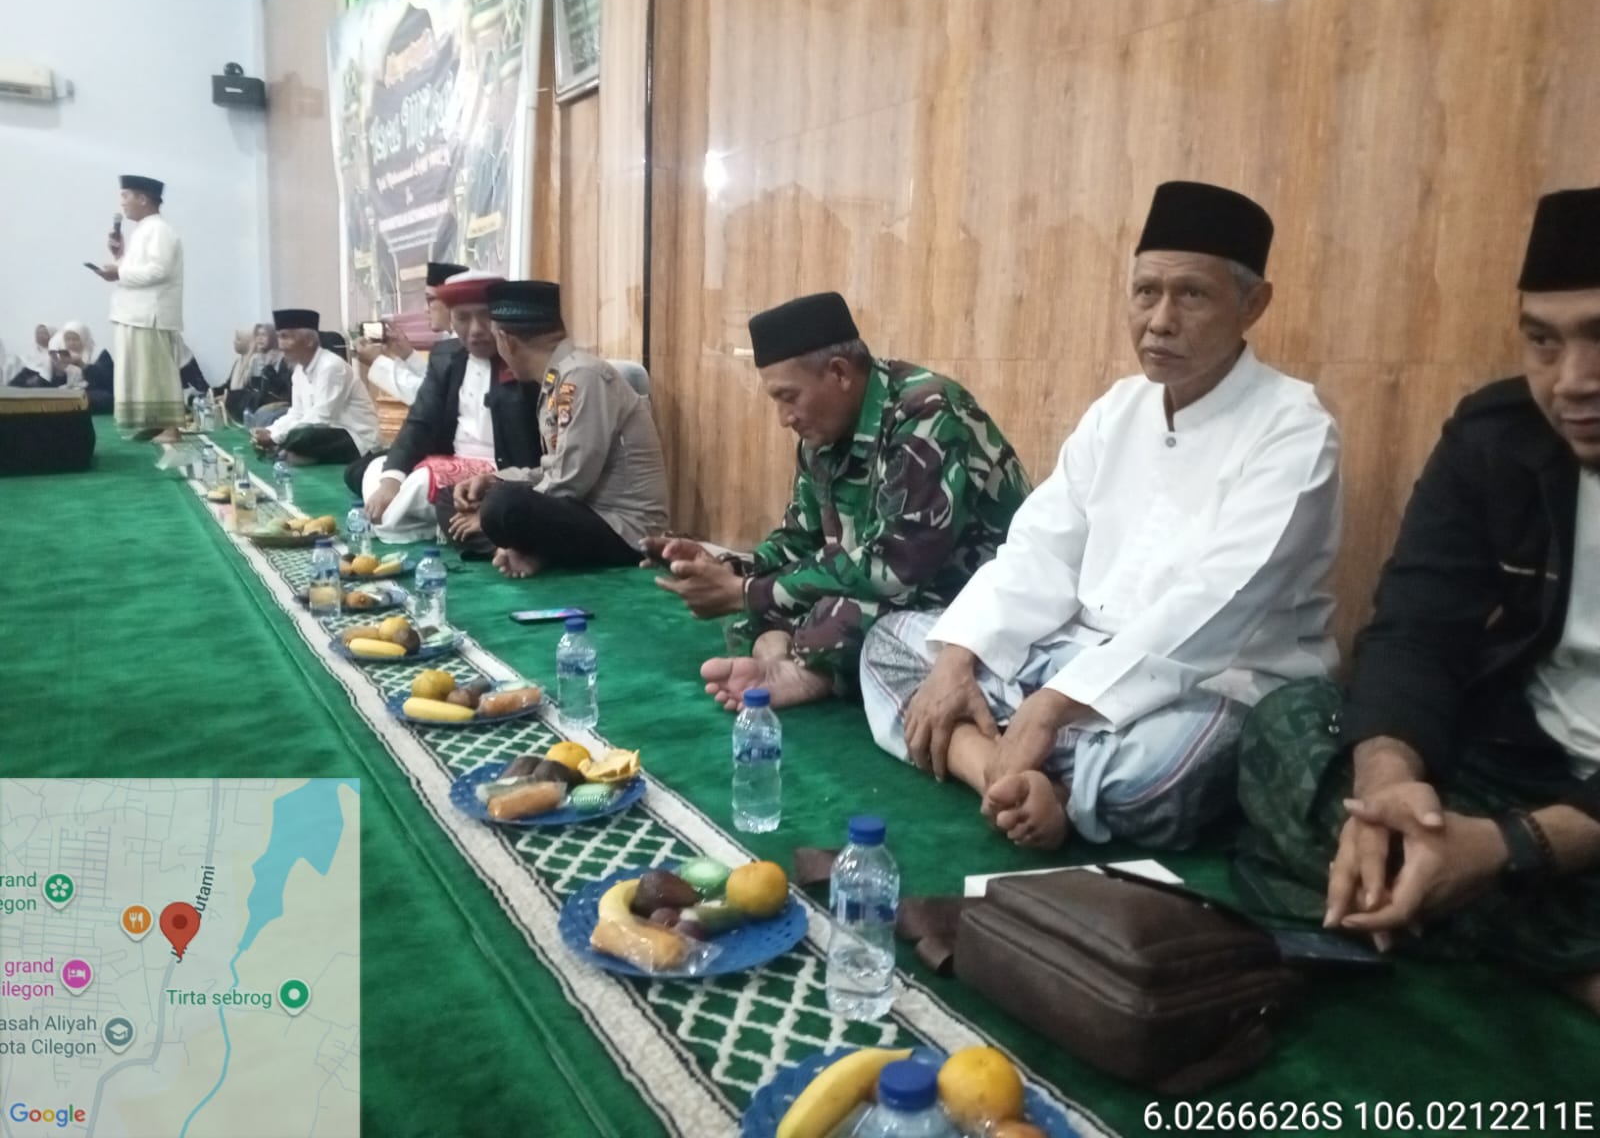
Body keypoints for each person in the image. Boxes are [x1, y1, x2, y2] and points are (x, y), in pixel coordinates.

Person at [861, 182, 1342, 851]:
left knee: (1174, 764)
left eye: (1191, 295)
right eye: (1146, 292)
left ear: (1253, 304)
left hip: (1210, 684)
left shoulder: (1294, 429)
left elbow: (1217, 606)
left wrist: (1052, 709)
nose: (1160, 320)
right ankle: (1009, 778)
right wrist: (960, 660)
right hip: (1069, 655)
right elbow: (1040, 550)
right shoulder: (1118, 408)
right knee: (895, 643)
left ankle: (1017, 764)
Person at [1234, 186, 1600, 1015]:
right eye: (1543, 341)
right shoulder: (1496, 436)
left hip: (1557, 822)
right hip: (1520, 763)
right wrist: (1390, 785)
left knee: (1325, 849)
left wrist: (1512, 848)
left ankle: (1445, 906)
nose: (1573, 382)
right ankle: (1536, 942)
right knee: (1286, 724)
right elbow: (1415, 629)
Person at [648, 291, 1031, 711]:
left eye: (788, 397)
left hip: (966, 601)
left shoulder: (927, 415)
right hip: (892, 585)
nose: (784, 418)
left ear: (839, 373)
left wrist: (748, 593)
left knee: (838, 614)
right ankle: (793, 660)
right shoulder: (823, 435)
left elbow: (895, 569)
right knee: (774, 601)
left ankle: (803, 667)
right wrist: (727, 569)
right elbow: (799, 540)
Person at [448, 280, 668, 576]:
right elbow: (556, 470)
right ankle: (526, 550)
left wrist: (494, 510)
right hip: (583, 512)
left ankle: (517, 546)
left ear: (505, 340)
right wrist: (494, 479)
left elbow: (570, 481)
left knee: (501, 507)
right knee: (454, 498)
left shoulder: (583, 377)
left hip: (624, 528)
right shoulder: (560, 378)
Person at [352, 271, 542, 543]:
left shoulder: (521, 360)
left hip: (500, 470)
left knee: (420, 484)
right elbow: (420, 420)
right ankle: (427, 522)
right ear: (451, 319)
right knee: (377, 469)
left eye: (485, 316)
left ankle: (417, 523)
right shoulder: (446, 356)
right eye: (463, 318)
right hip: (450, 461)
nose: (476, 329)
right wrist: (391, 480)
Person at [93, 174, 185, 441]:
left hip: (150, 314)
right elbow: (138, 269)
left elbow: (159, 270)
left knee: (157, 371)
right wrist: (119, 256)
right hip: (136, 313)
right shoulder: (144, 230)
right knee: (143, 374)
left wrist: (118, 272)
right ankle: (155, 423)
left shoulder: (159, 230)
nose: (122, 203)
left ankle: (171, 427)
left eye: (126, 196)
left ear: (143, 199)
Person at [251, 309, 379, 465]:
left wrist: (275, 438)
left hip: (357, 439)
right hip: (325, 434)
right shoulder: (299, 370)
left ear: (309, 341)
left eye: (285, 337)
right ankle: (292, 452)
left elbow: (321, 418)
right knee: (286, 429)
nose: (280, 345)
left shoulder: (330, 366)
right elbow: (297, 413)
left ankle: (288, 451)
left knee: (303, 436)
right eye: (278, 337)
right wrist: (271, 431)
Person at [358, 261, 467, 406]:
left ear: (452, 302)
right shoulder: (452, 341)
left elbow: (429, 396)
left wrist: (377, 362)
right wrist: (408, 355)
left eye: (430, 300)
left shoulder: (467, 345)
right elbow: (435, 381)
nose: (425, 308)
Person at [47, 321, 114, 414]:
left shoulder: (98, 354)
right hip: (71, 392)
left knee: (101, 398)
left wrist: (81, 364)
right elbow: (56, 385)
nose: (71, 343)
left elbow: (103, 382)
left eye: (75, 339)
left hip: (93, 392)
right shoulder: (63, 356)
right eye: (68, 339)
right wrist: (60, 372)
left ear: (83, 339)